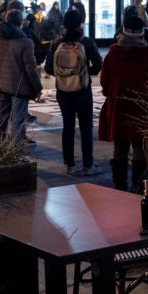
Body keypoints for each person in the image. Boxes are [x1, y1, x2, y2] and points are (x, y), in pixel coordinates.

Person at [100, 7, 148, 190]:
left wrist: (112, 94)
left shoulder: (113, 55)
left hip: (119, 106)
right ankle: (139, 186)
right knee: (140, 148)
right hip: (143, 108)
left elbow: (104, 81)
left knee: (120, 146)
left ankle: (119, 185)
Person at [44, 10, 102, 175]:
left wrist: (64, 75)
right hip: (82, 90)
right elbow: (98, 65)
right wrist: (83, 72)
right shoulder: (87, 42)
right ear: (80, 24)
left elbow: (49, 68)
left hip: (63, 91)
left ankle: (70, 164)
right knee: (86, 128)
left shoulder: (57, 43)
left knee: (68, 127)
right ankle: (88, 165)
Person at [0, 9, 42, 143]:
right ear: (21, 23)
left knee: (3, 115)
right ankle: (16, 146)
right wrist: (37, 87)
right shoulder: (25, 42)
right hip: (19, 86)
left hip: (1, 83)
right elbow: (31, 69)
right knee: (18, 117)